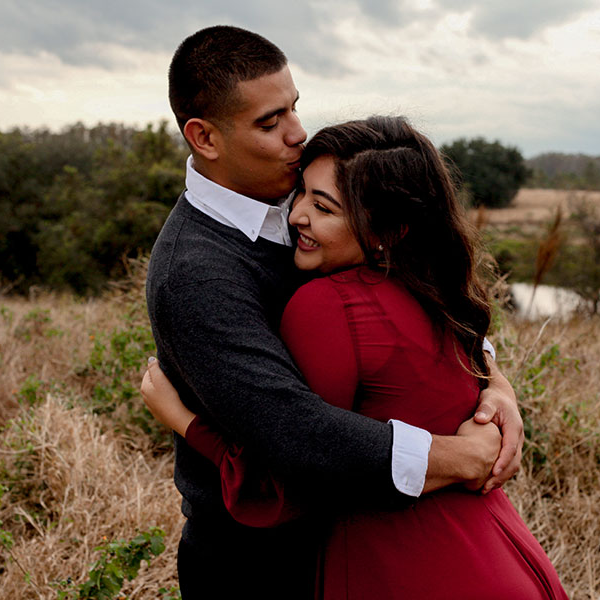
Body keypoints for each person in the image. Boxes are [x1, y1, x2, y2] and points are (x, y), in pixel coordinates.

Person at [145, 25, 524, 598]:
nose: (298, 134)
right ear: (205, 137)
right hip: (259, 566)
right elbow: (297, 433)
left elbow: (411, 285)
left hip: (361, 544)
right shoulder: (195, 273)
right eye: (269, 123)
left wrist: (493, 382)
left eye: (294, 109)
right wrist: (462, 456)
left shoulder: (306, 192)